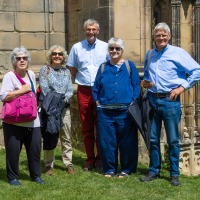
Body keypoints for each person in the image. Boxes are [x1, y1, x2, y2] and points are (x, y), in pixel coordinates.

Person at [139, 22, 200, 186]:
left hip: (170, 101)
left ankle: (174, 174)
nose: (161, 38)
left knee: (173, 140)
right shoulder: (150, 54)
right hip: (152, 99)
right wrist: (145, 83)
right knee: (152, 139)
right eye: (158, 35)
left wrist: (181, 88)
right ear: (154, 37)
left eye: (164, 35)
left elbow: (197, 71)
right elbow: (147, 75)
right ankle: (154, 171)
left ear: (169, 36)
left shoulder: (178, 53)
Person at [92, 37, 141, 177]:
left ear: (122, 50)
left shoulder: (129, 66)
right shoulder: (103, 67)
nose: (114, 51)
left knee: (127, 141)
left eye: (117, 48)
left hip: (125, 111)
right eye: (111, 48)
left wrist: (133, 101)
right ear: (108, 50)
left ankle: (127, 169)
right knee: (107, 142)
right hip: (105, 111)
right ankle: (109, 169)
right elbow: (96, 87)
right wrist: (97, 101)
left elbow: (136, 86)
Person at [67, 18, 109, 171]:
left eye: (94, 29)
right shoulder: (77, 47)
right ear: (84, 31)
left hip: (101, 90)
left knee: (101, 125)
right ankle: (90, 158)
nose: (91, 32)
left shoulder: (105, 47)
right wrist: (81, 79)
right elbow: (72, 68)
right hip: (84, 90)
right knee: (87, 126)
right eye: (88, 29)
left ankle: (100, 159)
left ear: (98, 31)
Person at [0, 46, 45, 186]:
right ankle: (13, 177)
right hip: (14, 122)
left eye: (24, 58)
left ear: (28, 60)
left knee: (35, 149)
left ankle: (36, 175)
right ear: (14, 61)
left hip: (32, 119)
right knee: (13, 151)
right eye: (18, 58)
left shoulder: (31, 74)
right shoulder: (10, 76)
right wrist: (21, 90)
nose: (21, 60)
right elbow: (4, 96)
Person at [39, 45, 75, 175]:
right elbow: (45, 89)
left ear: (63, 57)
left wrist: (64, 100)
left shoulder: (66, 71)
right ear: (51, 56)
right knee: (50, 135)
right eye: (54, 54)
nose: (57, 56)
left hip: (64, 109)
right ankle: (48, 165)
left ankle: (68, 163)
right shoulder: (45, 70)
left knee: (66, 136)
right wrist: (58, 100)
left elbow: (70, 90)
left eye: (60, 54)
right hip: (51, 110)